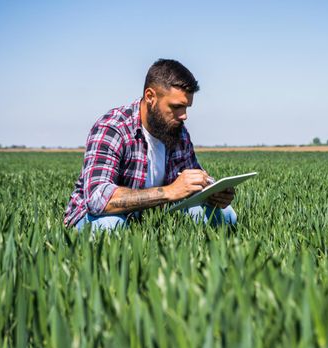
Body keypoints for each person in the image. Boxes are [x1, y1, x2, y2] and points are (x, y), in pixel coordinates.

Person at [64, 59, 236, 231]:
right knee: (112, 226)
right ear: (150, 97)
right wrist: (169, 192)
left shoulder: (177, 131)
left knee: (226, 215)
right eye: (177, 107)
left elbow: (191, 182)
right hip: (97, 216)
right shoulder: (113, 128)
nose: (184, 116)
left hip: (153, 217)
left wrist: (213, 191)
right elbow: (97, 199)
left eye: (186, 108)